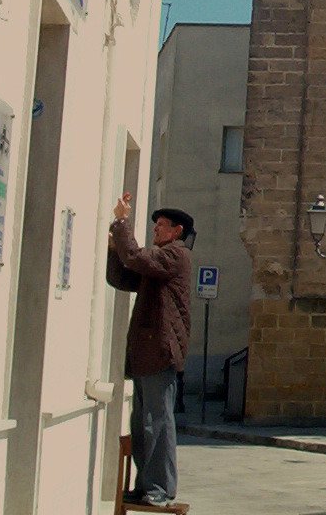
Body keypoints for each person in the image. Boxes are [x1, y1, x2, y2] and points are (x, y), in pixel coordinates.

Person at [106, 194, 193, 509]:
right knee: (142, 422)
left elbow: (136, 259)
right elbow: (123, 276)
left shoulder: (175, 256)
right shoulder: (158, 261)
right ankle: (146, 486)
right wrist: (114, 245)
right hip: (146, 353)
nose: (155, 230)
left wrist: (121, 225)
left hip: (160, 352)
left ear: (176, 231)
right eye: (154, 225)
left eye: (161, 226)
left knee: (157, 421)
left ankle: (160, 487)